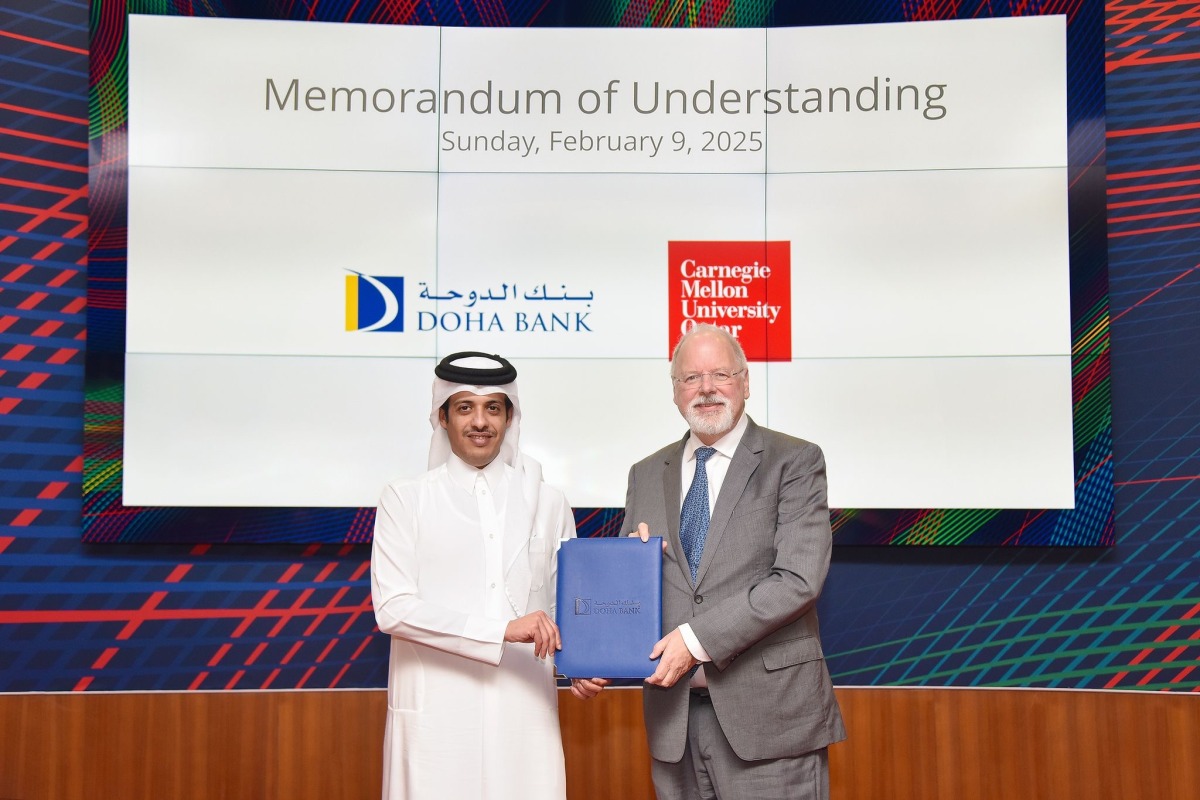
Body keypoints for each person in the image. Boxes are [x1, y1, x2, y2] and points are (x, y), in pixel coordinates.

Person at [608, 323, 847, 799]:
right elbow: (625, 596)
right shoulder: (644, 473)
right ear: (675, 392)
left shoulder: (794, 461)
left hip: (770, 726)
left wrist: (695, 642)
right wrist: (602, 653)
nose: (707, 389)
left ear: (745, 383)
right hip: (673, 725)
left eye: (721, 374)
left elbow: (797, 580)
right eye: (691, 378)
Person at [370, 351, 580, 800]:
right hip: (436, 722)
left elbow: (569, 607)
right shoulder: (405, 500)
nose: (480, 421)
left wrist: (586, 663)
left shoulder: (549, 502)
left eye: (493, 408)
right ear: (443, 418)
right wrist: (501, 630)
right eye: (465, 407)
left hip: (524, 715)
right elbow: (393, 610)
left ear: (509, 418)